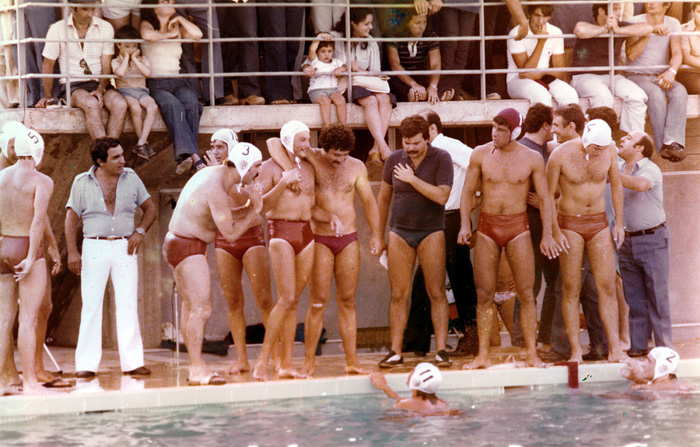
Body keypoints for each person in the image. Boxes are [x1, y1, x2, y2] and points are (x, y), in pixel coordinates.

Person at [268, 123, 382, 376]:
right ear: (325, 148)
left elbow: (369, 202)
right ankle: (309, 362)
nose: (340, 160)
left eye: (344, 155)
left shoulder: (356, 166)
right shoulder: (312, 157)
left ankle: (352, 361)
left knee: (348, 301)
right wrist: (289, 170)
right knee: (318, 302)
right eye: (335, 155)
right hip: (319, 238)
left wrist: (376, 235)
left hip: (348, 239)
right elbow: (274, 143)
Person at [458, 108, 560, 369]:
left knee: (526, 293)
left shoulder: (532, 158)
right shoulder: (480, 154)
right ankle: (483, 355)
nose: (495, 133)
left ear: (515, 132)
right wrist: (464, 225)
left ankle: (531, 353)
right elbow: (467, 192)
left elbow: (545, 199)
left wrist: (548, 234)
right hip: (487, 227)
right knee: (484, 294)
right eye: (494, 128)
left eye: (501, 130)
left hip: (518, 228)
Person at [163, 140, 264, 385]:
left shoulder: (215, 176)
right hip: (187, 246)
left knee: (191, 309)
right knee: (201, 309)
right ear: (243, 166)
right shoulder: (216, 187)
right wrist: (254, 210)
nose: (258, 172)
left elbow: (223, 216)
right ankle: (197, 369)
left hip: (179, 243)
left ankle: (195, 366)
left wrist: (250, 208)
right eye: (256, 167)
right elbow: (230, 233)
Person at [65, 138, 156, 379]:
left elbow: (150, 208)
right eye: (116, 157)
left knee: (128, 302)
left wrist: (140, 231)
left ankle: (133, 362)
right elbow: (71, 219)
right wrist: (73, 252)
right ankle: (86, 364)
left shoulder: (131, 178)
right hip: (94, 246)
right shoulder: (81, 182)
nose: (122, 160)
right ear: (100, 161)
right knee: (91, 304)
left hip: (125, 247)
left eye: (122, 154)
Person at [546, 119, 627, 363]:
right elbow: (547, 196)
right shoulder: (560, 154)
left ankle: (615, 349)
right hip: (570, 223)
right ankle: (575, 351)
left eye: (603, 148)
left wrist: (619, 223)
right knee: (571, 288)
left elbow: (617, 187)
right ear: (586, 141)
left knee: (607, 287)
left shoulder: (609, 151)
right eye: (596, 148)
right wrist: (553, 231)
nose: (600, 152)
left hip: (599, 223)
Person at [376, 115, 453, 369]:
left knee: (436, 292)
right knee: (398, 294)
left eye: (416, 143)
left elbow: (441, 196)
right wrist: (377, 235)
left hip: (431, 231)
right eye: (406, 143)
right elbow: (383, 199)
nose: (410, 148)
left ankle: (441, 350)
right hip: (399, 232)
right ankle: (395, 351)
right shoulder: (394, 159)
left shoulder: (442, 158)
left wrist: (412, 179)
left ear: (427, 139)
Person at [404, 109, 477, 357]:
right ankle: (416, 341)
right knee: (425, 281)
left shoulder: (449, 146)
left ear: (432, 130)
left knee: (459, 280)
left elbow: (479, 163)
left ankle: (472, 338)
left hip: (451, 218)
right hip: (433, 219)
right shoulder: (428, 153)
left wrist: (475, 197)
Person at [0, 123, 65, 391]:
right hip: (27, 247)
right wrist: (29, 258)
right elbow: (37, 222)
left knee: (3, 321)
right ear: (38, 151)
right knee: (28, 320)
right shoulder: (42, 180)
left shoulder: (1, 177)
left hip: (4, 246)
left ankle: (2, 382)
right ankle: (29, 381)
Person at [206, 131, 275, 375]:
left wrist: (241, 208)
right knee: (233, 301)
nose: (215, 152)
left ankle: (275, 357)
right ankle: (242, 359)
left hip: (251, 238)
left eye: (220, 147)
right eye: (213, 146)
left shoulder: (252, 173)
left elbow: (256, 213)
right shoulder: (213, 176)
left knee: (264, 300)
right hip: (225, 240)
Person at [252, 121, 315, 381]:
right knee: (286, 299)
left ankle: (286, 364)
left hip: (307, 233)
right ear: (289, 141)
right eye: (302, 140)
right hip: (281, 232)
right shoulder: (269, 168)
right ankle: (262, 360)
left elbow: (312, 202)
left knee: (294, 301)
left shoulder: (309, 166)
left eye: (308, 138)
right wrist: (284, 182)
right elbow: (260, 206)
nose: (308, 144)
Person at [35, 0, 128, 141]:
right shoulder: (57, 29)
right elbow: (48, 64)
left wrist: (101, 89)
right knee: (91, 105)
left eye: (92, 9)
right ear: (73, 7)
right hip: (73, 85)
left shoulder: (105, 27)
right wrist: (48, 96)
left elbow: (106, 65)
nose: (90, 14)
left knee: (120, 104)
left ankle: (108, 150)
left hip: (99, 84)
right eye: (85, 9)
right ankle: (106, 151)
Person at [617, 131, 672, 357]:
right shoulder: (619, 167)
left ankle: (664, 351)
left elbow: (641, 185)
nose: (622, 139)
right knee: (634, 297)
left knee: (657, 297)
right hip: (627, 241)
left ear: (639, 148)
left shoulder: (651, 168)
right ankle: (638, 346)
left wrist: (612, 174)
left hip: (653, 239)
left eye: (629, 138)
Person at [510, 103, 559, 350]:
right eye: (553, 125)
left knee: (552, 282)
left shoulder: (544, 149)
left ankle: (542, 337)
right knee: (531, 283)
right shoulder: (523, 150)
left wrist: (546, 202)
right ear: (545, 125)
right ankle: (524, 338)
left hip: (544, 222)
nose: (555, 130)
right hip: (529, 225)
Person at [140, 0, 205, 174]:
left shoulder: (177, 27)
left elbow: (198, 35)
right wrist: (170, 34)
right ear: (154, 7)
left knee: (192, 102)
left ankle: (185, 158)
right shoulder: (147, 24)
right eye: (165, 1)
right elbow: (148, 36)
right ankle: (195, 157)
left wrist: (181, 20)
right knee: (173, 105)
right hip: (156, 83)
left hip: (177, 82)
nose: (171, 2)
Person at [571, 3, 651, 134]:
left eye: (620, 9)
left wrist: (617, 30)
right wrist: (605, 29)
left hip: (613, 76)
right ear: (601, 11)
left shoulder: (620, 25)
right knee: (604, 97)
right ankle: (599, 139)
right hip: (585, 76)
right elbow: (580, 30)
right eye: (615, 9)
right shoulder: (588, 22)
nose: (619, 13)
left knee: (638, 96)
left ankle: (632, 139)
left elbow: (647, 28)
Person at [625, 2, 687, 162]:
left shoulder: (673, 23)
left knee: (680, 91)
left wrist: (672, 72)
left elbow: (677, 53)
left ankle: (672, 142)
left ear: (667, 4)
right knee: (656, 94)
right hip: (637, 75)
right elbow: (631, 55)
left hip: (659, 76)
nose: (650, 2)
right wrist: (649, 32)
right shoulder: (635, 21)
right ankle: (662, 147)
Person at [329, 8, 394, 162]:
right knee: (371, 101)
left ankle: (376, 147)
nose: (371, 27)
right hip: (346, 85)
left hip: (365, 82)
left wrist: (360, 70)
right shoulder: (335, 38)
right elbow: (321, 57)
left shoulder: (371, 42)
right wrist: (344, 68)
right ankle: (383, 147)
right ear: (353, 24)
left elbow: (376, 72)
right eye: (366, 24)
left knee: (385, 99)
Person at [506, 3, 579, 107]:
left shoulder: (555, 32)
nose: (540, 21)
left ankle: (564, 118)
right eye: (537, 15)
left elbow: (560, 72)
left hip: (545, 77)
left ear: (550, 16)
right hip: (517, 80)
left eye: (544, 16)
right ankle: (544, 119)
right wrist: (541, 42)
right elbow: (526, 73)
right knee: (541, 95)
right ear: (529, 14)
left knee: (570, 94)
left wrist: (540, 74)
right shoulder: (516, 33)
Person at [386, 9, 454, 104]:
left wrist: (433, 86)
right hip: (402, 76)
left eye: (424, 23)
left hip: (420, 74)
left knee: (440, 77)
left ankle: (424, 93)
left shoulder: (430, 36)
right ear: (406, 23)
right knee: (391, 79)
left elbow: (435, 64)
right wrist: (413, 84)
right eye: (417, 23)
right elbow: (395, 65)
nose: (422, 27)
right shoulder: (393, 36)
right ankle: (431, 94)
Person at [112, 25, 158, 160]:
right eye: (127, 46)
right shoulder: (116, 61)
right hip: (125, 91)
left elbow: (147, 73)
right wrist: (127, 58)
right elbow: (120, 73)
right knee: (135, 108)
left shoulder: (142, 59)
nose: (131, 50)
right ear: (118, 45)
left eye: (134, 46)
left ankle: (141, 142)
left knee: (153, 106)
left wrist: (135, 60)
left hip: (141, 91)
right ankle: (143, 144)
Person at [369, 362, 449, 413]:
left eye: (413, 371)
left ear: (416, 380)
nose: (410, 373)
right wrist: (385, 387)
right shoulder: (442, 404)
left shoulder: (402, 404)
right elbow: (415, 404)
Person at [304, 36, 347, 127]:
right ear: (317, 52)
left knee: (340, 100)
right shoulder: (315, 61)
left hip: (333, 90)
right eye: (323, 51)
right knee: (325, 101)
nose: (326, 54)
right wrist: (320, 36)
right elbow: (312, 49)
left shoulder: (336, 62)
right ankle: (328, 127)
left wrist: (341, 69)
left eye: (329, 51)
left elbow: (345, 66)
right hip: (316, 90)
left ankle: (343, 127)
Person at [620, 347, 695, 391]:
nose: (643, 364)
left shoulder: (679, 386)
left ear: (661, 368)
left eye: (649, 361)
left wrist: (644, 386)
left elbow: (686, 386)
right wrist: (637, 380)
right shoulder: (644, 388)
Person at [678, 2, 700, 94]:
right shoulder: (684, 29)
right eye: (699, 12)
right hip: (690, 72)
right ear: (693, 12)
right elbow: (686, 58)